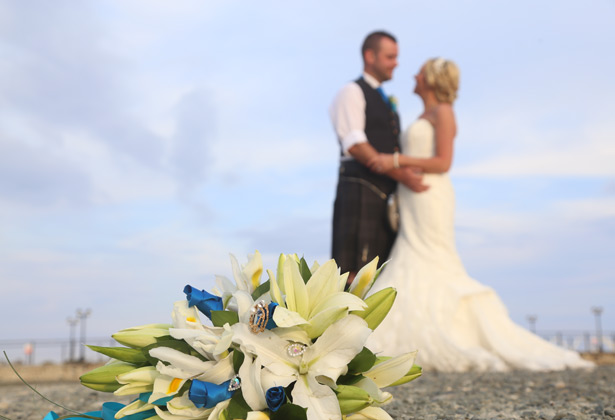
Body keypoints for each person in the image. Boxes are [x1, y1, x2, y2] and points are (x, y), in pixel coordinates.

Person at [366, 58, 593, 371]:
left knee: (434, 256)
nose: (414, 74)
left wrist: (394, 160)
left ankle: (449, 329)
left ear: (431, 79)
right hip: (413, 197)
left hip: (431, 194)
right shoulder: (424, 113)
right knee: (411, 253)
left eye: (420, 71)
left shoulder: (443, 112)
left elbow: (444, 162)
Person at [330, 31, 427, 284]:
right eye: (390, 56)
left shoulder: (385, 99)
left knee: (382, 277)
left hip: (385, 197)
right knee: (354, 275)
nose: (396, 62)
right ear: (370, 56)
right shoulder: (351, 91)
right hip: (360, 192)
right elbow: (355, 144)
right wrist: (401, 174)